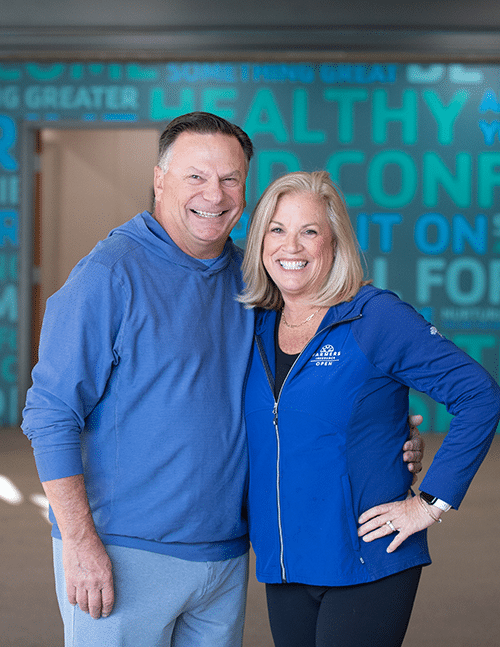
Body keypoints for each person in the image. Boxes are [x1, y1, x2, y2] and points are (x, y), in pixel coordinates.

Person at [21, 114, 424, 647]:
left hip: (224, 560)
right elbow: (49, 413)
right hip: (122, 553)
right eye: (196, 176)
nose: (214, 194)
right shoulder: (109, 274)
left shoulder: (256, 280)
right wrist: (77, 541)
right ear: (160, 178)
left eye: (230, 178)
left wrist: (384, 436)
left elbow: (305, 386)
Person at [239, 170, 500, 647]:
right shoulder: (252, 327)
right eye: (276, 230)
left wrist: (429, 504)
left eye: (309, 231)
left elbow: (478, 394)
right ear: (259, 242)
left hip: (365, 560)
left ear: (334, 241)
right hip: (285, 563)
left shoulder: (374, 316)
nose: (290, 246)